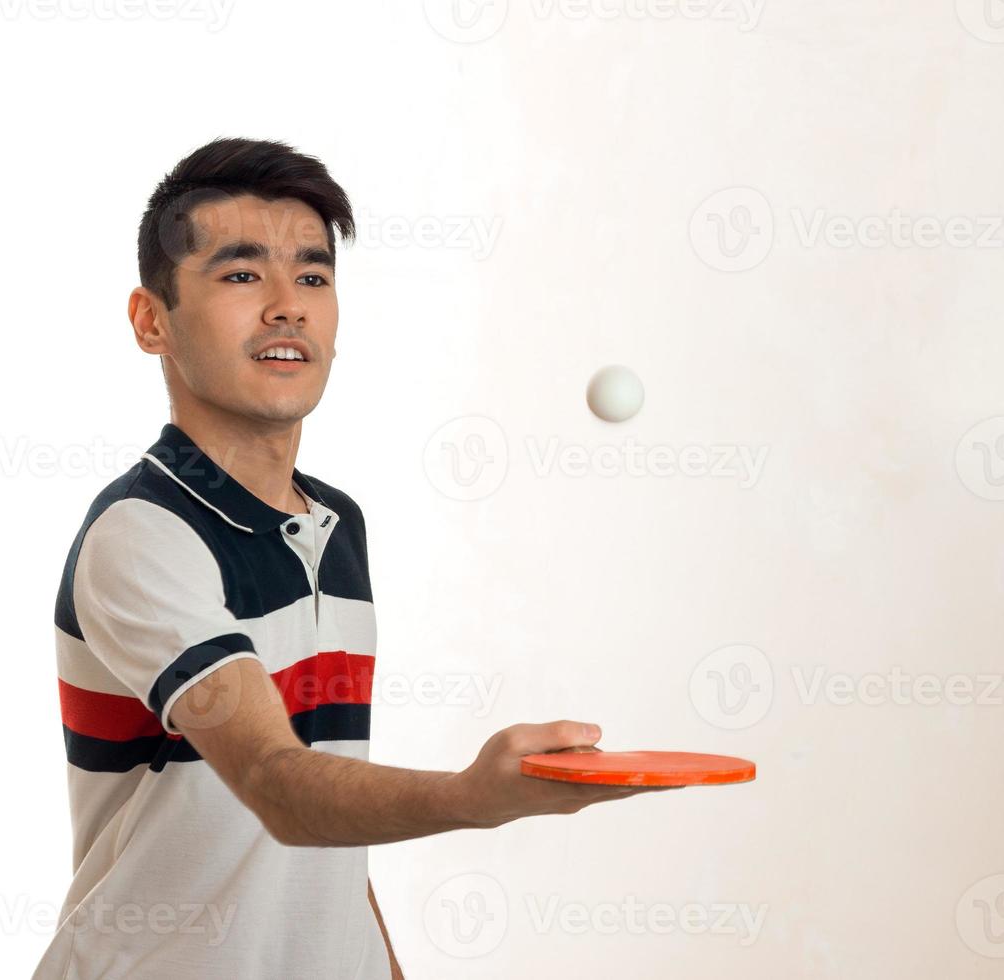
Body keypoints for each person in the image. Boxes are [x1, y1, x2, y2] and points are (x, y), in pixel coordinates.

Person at [33, 137, 666, 979]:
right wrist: (472, 798)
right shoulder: (144, 534)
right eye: (240, 275)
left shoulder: (337, 525)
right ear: (153, 320)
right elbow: (276, 783)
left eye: (313, 276)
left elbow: (325, 813)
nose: (287, 306)